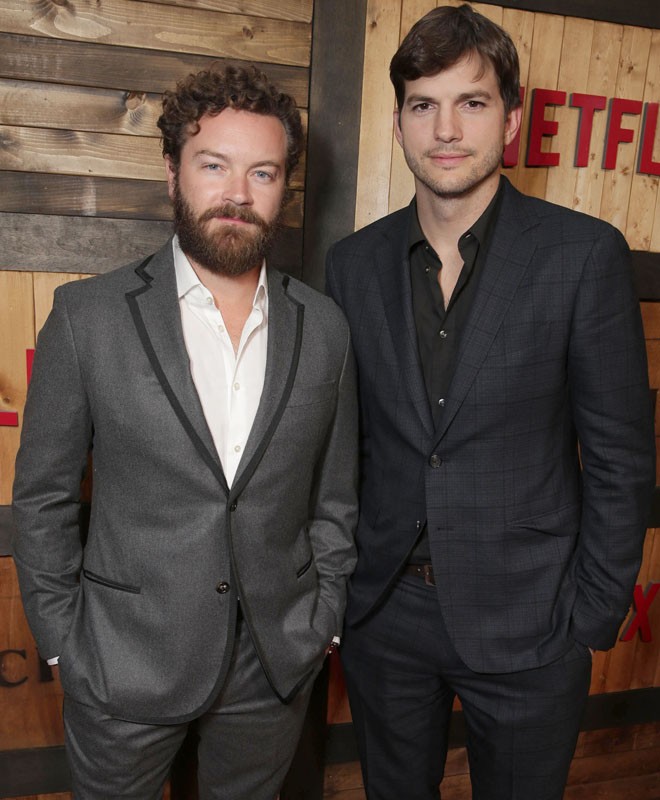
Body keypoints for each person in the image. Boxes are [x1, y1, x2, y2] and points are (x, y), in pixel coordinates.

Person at [326, 5, 655, 799]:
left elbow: (621, 457)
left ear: (509, 120)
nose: (445, 129)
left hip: (533, 619)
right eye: (423, 105)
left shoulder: (583, 256)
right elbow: (343, 449)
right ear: (399, 124)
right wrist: (344, 594)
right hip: (385, 615)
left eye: (471, 103)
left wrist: (591, 614)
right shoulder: (352, 264)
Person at [12, 63, 358, 800]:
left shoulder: (325, 328)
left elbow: (334, 498)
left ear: (285, 187)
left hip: (274, 661)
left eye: (262, 172)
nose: (238, 194)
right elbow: (42, 499)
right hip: (122, 661)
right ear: (172, 172)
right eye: (214, 165)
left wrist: (321, 619)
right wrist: (65, 646)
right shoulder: (87, 318)